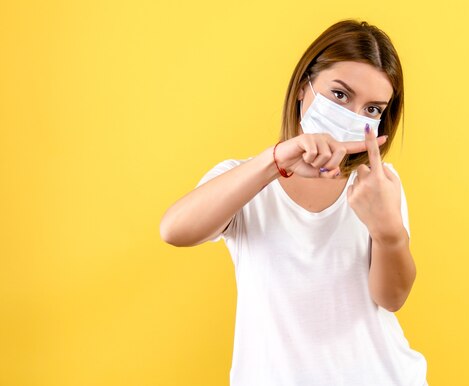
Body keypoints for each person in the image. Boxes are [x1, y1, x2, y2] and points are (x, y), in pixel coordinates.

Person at [160, 19, 429, 386]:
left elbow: (391, 297)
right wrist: (274, 161)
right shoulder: (246, 179)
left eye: (372, 109)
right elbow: (174, 230)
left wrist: (389, 233)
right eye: (340, 95)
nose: (353, 115)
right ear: (304, 88)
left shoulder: (377, 187)